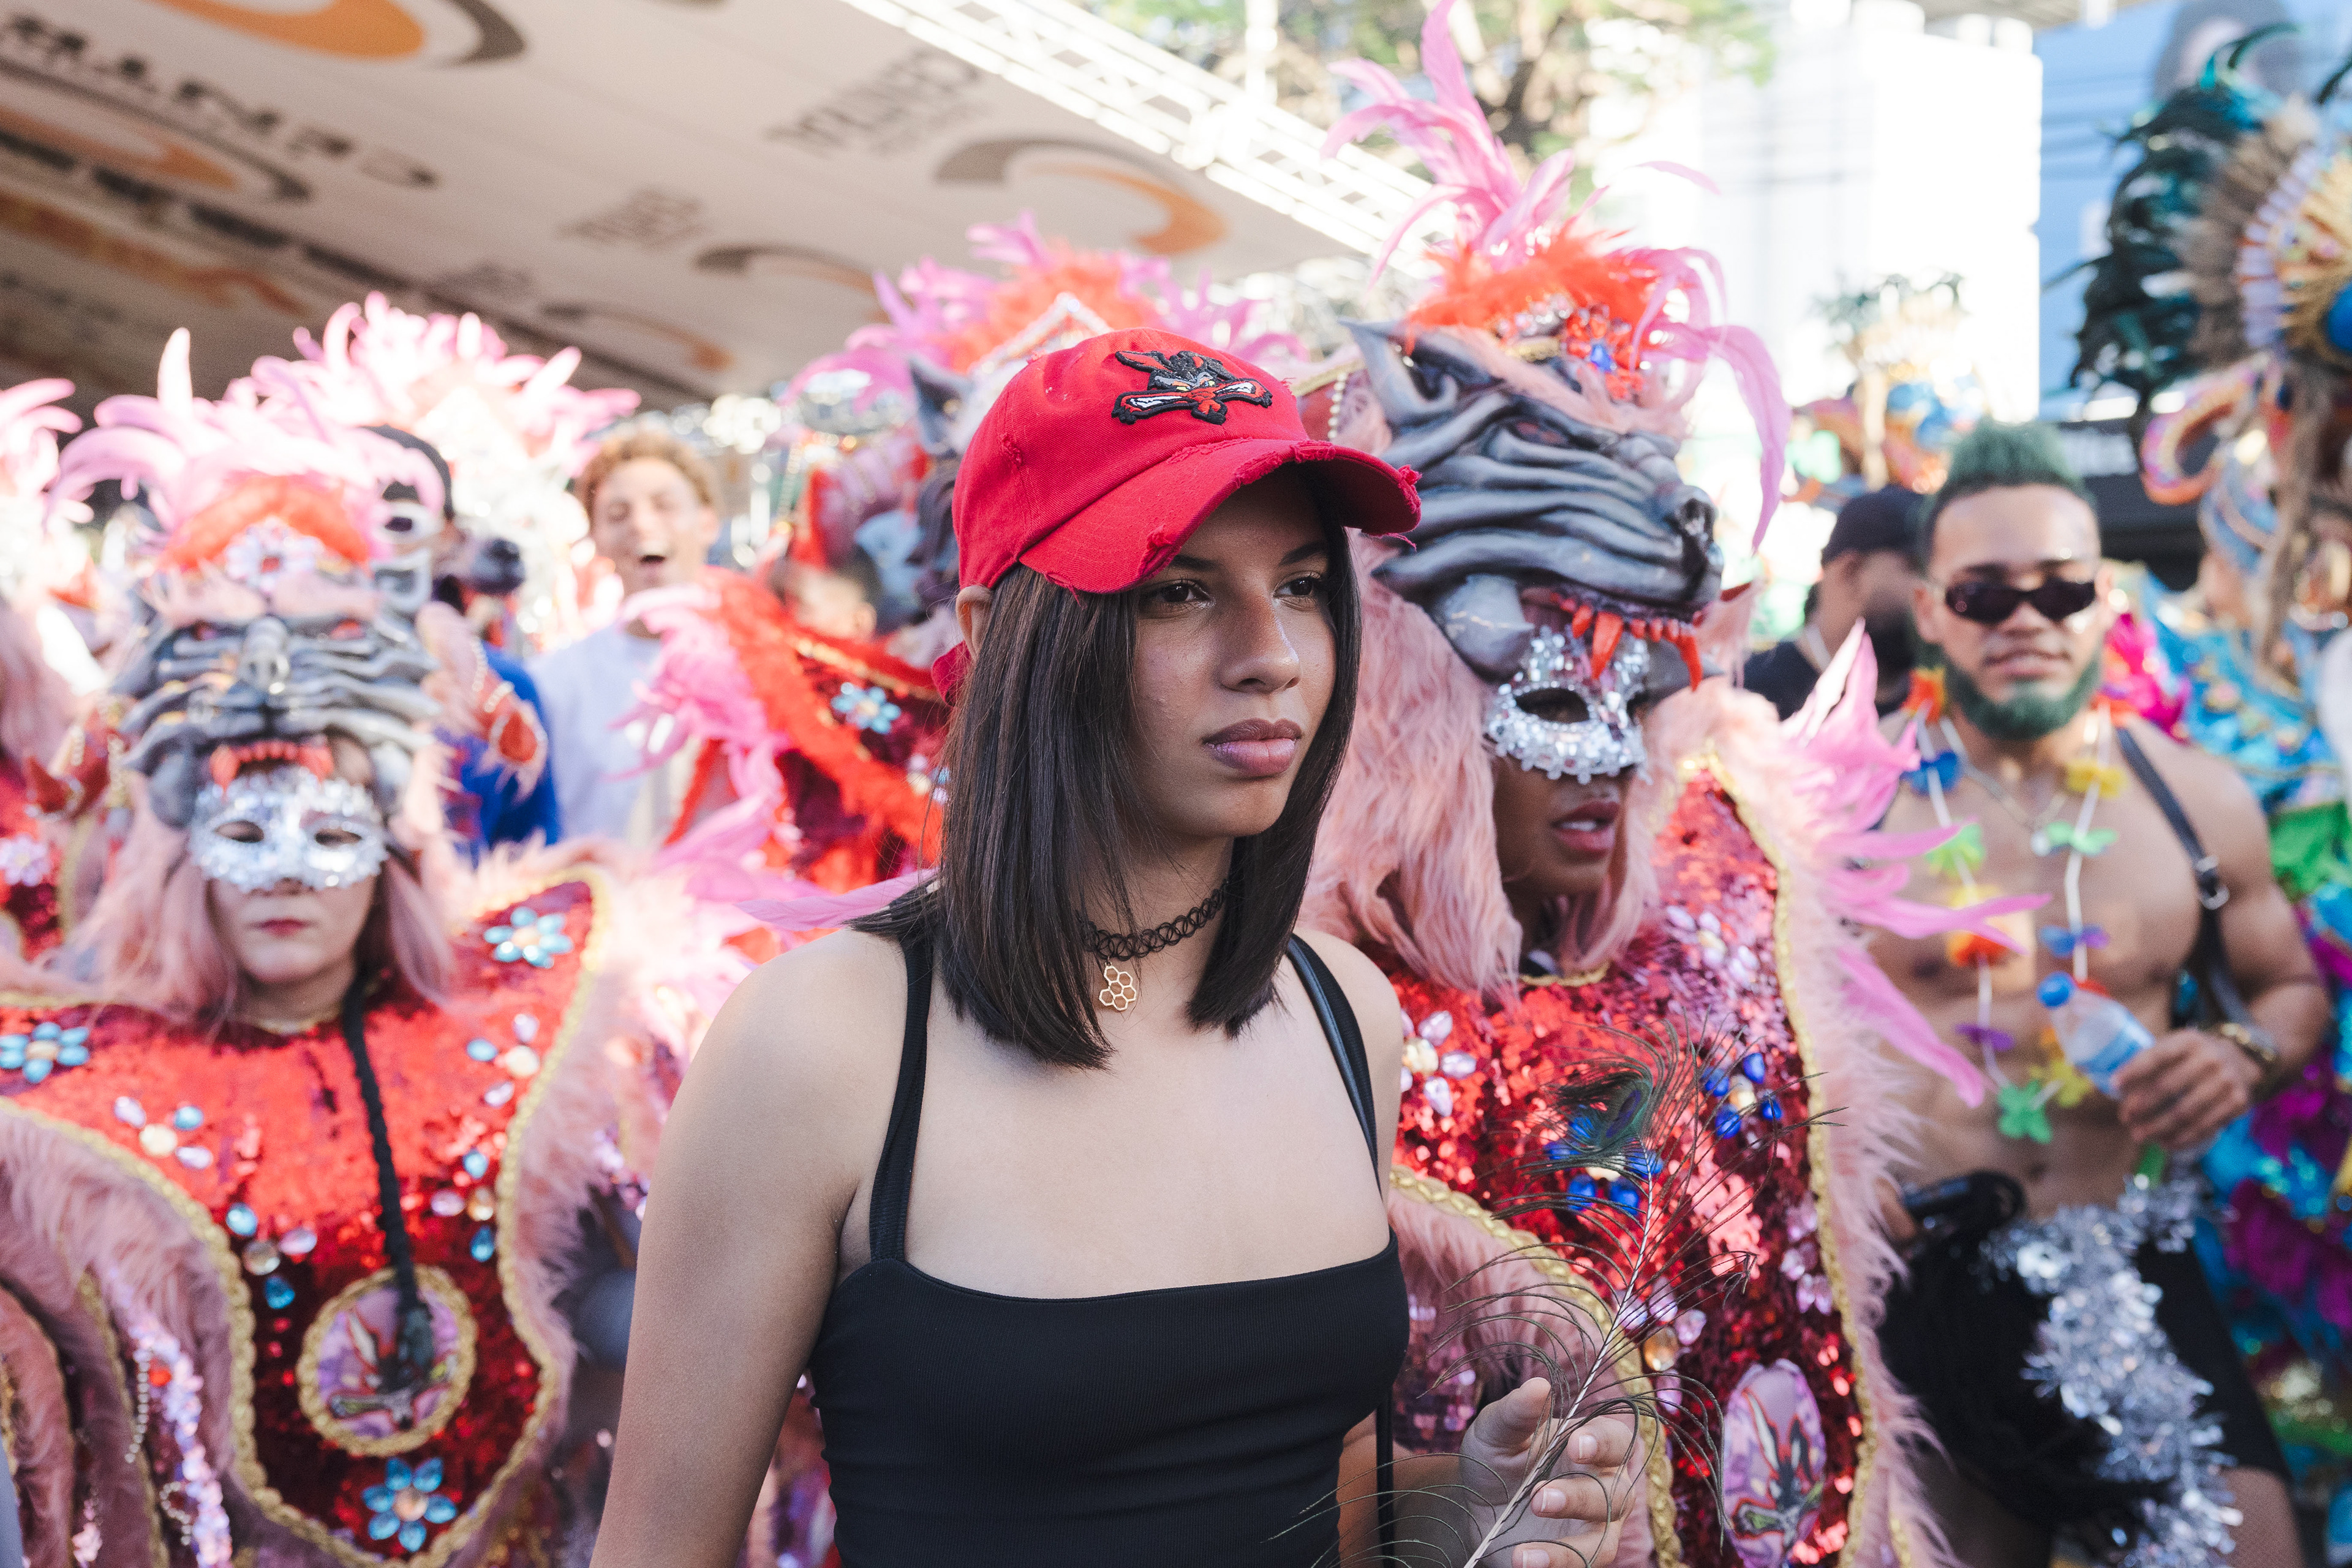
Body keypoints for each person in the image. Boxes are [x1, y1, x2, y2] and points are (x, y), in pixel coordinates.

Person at [593, 327, 1642, 1568]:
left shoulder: (1345, 1011)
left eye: (1303, 585)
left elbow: (1327, 1499)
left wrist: (1468, 1506)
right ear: (996, 631)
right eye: (1179, 590)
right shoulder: (822, 1044)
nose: (1271, 657)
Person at [1296, 6, 2005, 1560]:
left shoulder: (1729, 888)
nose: (1609, 757)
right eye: (1551, 696)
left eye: (1639, 696)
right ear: (1416, 708)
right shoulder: (1312, 999)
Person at [0, 334, 691, 1564]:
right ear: (181, 863)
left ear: (392, 858)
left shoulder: (529, 1030)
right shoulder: (83, 1101)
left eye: (329, 831)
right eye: (241, 832)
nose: (282, 872)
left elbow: (633, 1309)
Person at [1871, 422, 2326, 1567]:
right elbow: (1738, 1028)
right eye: (1983, 593)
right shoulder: (1841, 803)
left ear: (2104, 601)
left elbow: (2288, 987)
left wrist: (2240, 1056)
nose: (2024, 618)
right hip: (1914, 1285)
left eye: (2061, 588)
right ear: (1930, 611)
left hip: (2126, 1267)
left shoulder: (2197, 803)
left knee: (2259, 1548)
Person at [532, 428, 719, 845]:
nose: (641, 523)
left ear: (708, 522)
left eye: (664, 505)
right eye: (617, 514)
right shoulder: (553, 681)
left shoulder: (766, 670)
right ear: (596, 538)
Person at [1743, 484, 1920, 718]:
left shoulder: (1948, 714)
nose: (1939, 591)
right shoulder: (1743, 697)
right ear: (1849, 573)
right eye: (1920, 569)